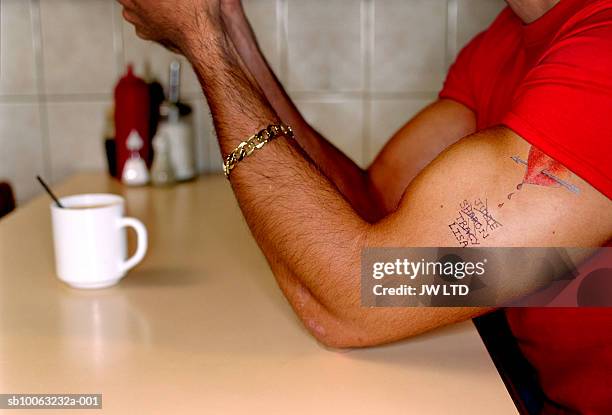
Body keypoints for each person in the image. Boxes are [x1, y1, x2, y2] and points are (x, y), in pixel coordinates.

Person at [119, 0, 612, 412]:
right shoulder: (505, 41)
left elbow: (354, 302)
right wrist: (227, 30)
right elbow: (371, 207)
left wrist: (202, 43)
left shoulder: (601, 56)